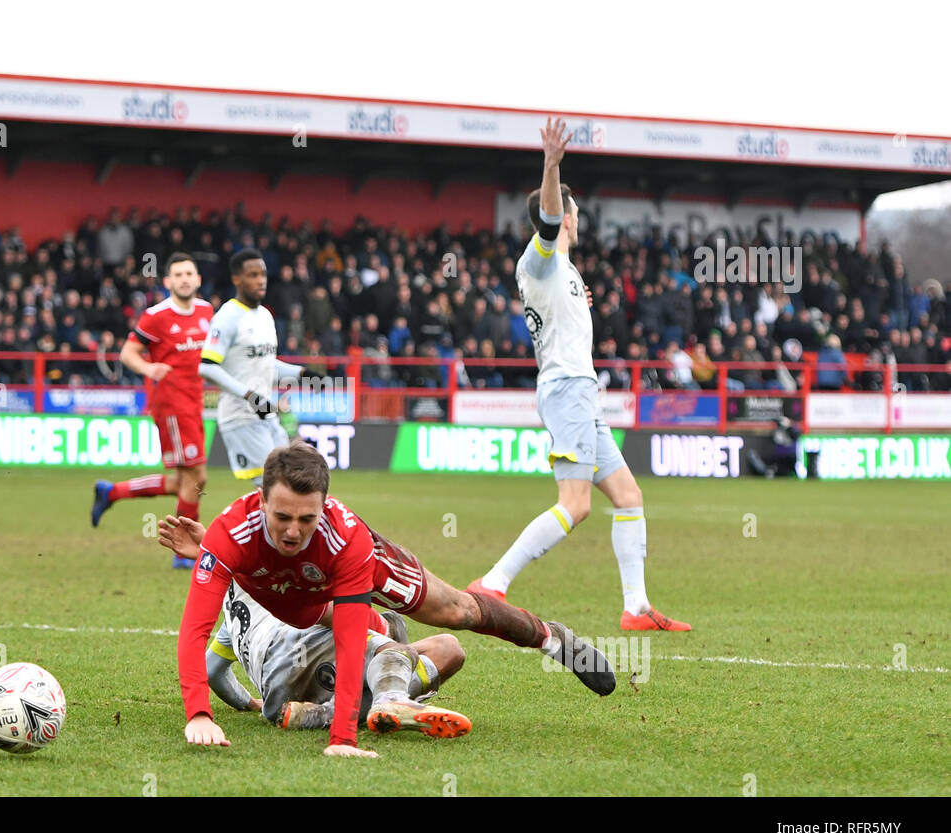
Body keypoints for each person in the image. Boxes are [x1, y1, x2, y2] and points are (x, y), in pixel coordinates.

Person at [173, 441, 614, 757]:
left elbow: (348, 639)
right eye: (282, 517)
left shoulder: (346, 539)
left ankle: (551, 639)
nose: (293, 530)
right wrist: (198, 715)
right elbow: (193, 631)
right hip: (307, 604)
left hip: (360, 571)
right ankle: (385, 685)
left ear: (325, 507)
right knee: (354, 629)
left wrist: (342, 739)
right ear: (260, 501)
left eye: (306, 519)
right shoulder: (228, 535)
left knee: (457, 611)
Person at [468, 118, 691, 632]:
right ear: (565, 215)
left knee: (629, 496)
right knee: (576, 505)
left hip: (581, 394)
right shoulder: (541, 258)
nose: (576, 215)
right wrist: (551, 165)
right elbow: (546, 220)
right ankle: (493, 582)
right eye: (573, 209)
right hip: (566, 391)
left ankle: (636, 608)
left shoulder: (565, 272)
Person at [176, 568, 472, 739]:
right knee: (419, 648)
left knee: (445, 647)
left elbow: (212, 670)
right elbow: (329, 613)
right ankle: (391, 699)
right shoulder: (271, 570)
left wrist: (248, 703)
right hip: (294, 643)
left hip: (277, 693)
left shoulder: (231, 616)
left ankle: (323, 713)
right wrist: (382, 630)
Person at [91, 254, 214, 569]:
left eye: (189, 273)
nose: (184, 279)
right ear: (168, 281)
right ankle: (183, 551)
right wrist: (149, 367)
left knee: (182, 481)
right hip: (171, 404)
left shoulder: (206, 312)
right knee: (196, 476)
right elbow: (127, 352)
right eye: (178, 274)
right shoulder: (156, 316)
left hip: (195, 400)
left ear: (198, 279)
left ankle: (111, 493)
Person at [197, 249, 301, 483]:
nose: (260, 280)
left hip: (266, 413)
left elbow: (264, 365)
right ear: (237, 279)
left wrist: (301, 374)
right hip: (240, 416)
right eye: (252, 275)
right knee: (274, 486)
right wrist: (249, 395)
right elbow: (206, 367)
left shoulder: (265, 315)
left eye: (263, 274)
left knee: (289, 483)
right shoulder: (227, 317)